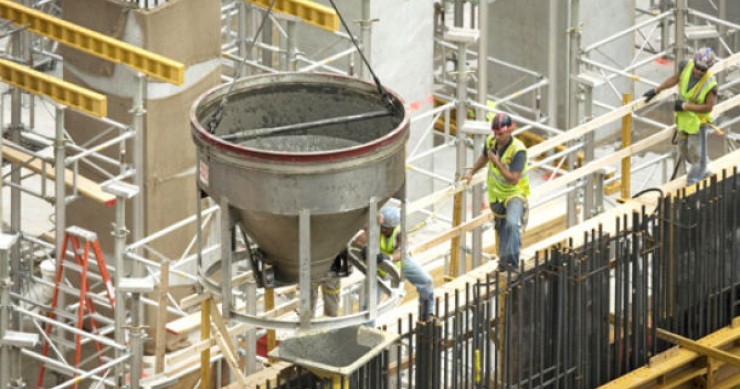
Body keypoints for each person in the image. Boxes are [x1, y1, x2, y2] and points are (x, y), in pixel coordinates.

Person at [463, 113, 530, 272]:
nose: (497, 137)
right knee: (501, 229)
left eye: (501, 134)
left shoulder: (518, 150)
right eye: (495, 133)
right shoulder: (491, 141)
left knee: (512, 224)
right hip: (496, 195)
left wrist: (497, 163)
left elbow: (513, 179)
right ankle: (503, 263)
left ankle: (513, 265)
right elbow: (484, 157)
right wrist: (471, 172)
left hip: (515, 193)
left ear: (510, 131)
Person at [643, 47, 719, 185]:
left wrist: (685, 106)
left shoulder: (710, 84)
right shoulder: (686, 67)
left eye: (703, 70)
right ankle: (703, 171)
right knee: (684, 150)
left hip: (697, 123)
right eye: (697, 67)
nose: (698, 71)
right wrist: (656, 90)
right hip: (683, 121)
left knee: (696, 152)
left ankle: (693, 181)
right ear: (694, 62)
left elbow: (709, 107)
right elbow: (674, 79)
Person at [355, 206, 435, 317]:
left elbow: (402, 252)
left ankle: (427, 315)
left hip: (398, 263)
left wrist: (389, 258)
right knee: (369, 306)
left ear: (392, 227)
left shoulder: (399, 232)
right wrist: (364, 248)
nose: (382, 229)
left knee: (427, 281)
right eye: (382, 226)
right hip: (378, 268)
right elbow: (358, 241)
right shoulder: (376, 228)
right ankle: (366, 329)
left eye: (385, 228)